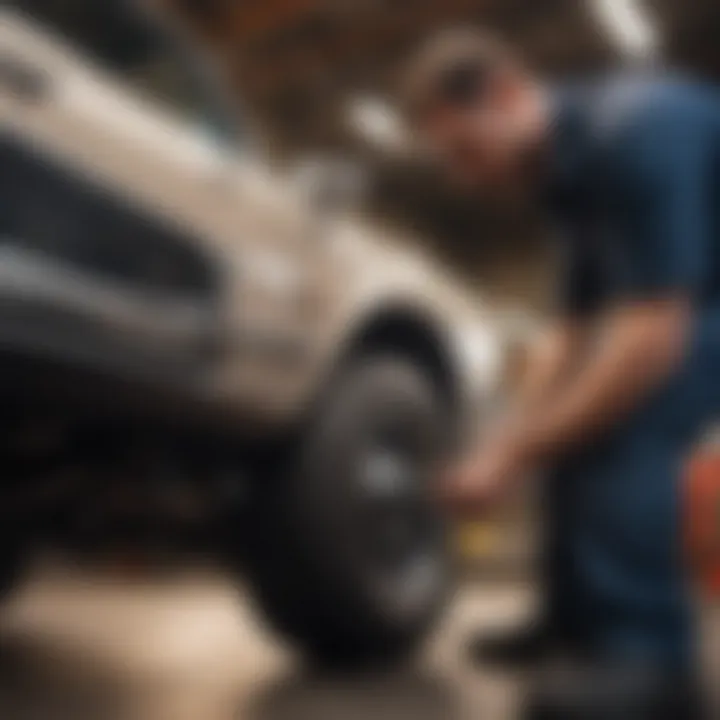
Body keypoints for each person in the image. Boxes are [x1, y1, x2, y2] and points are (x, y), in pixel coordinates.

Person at [400, 30, 719, 719]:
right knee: (563, 429)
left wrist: (514, 450)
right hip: (692, 300)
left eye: (467, 151)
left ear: (508, 95)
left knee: (624, 420)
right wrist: (509, 443)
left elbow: (650, 340)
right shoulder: (564, 177)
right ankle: (577, 623)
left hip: (694, 307)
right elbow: (570, 333)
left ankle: (651, 661)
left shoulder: (638, 132)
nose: (466, 177)